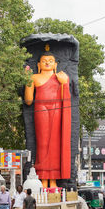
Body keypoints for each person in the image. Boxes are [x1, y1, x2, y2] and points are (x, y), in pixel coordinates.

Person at [24, 48, 71, 188]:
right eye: (44, 61)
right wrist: (27, 80)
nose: (47, 63)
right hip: (41, 109)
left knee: (55, 145)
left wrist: (64, 83)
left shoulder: (61, 77)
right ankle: (43, 178)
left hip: (57, 110)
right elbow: (28, 101)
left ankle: (54, 180)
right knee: (43, 144)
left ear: (56, 64)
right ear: (38, 64)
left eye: (50, 61)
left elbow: (65, 99)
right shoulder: (34, 78)